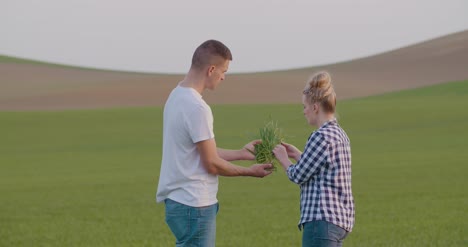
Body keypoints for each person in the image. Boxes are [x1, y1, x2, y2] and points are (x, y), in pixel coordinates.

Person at [156, 39, 273, 247]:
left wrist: (241, 153)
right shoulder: (197, 107)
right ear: (211, 69)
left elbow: (200, 152)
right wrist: (250, 171)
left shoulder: (176, 96)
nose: (224, 77)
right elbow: (211, 163)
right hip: (195, 205)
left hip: (178, 203)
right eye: (224, 71)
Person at [272, 71, 355, 247]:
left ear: (315, 107)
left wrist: (284, 159)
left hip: (321, 221)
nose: (304, 112)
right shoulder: (340, 134)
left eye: (305, 106)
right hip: (339, 221)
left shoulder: (320, 136)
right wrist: (298, 155)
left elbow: (298, 175)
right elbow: (325, 169)